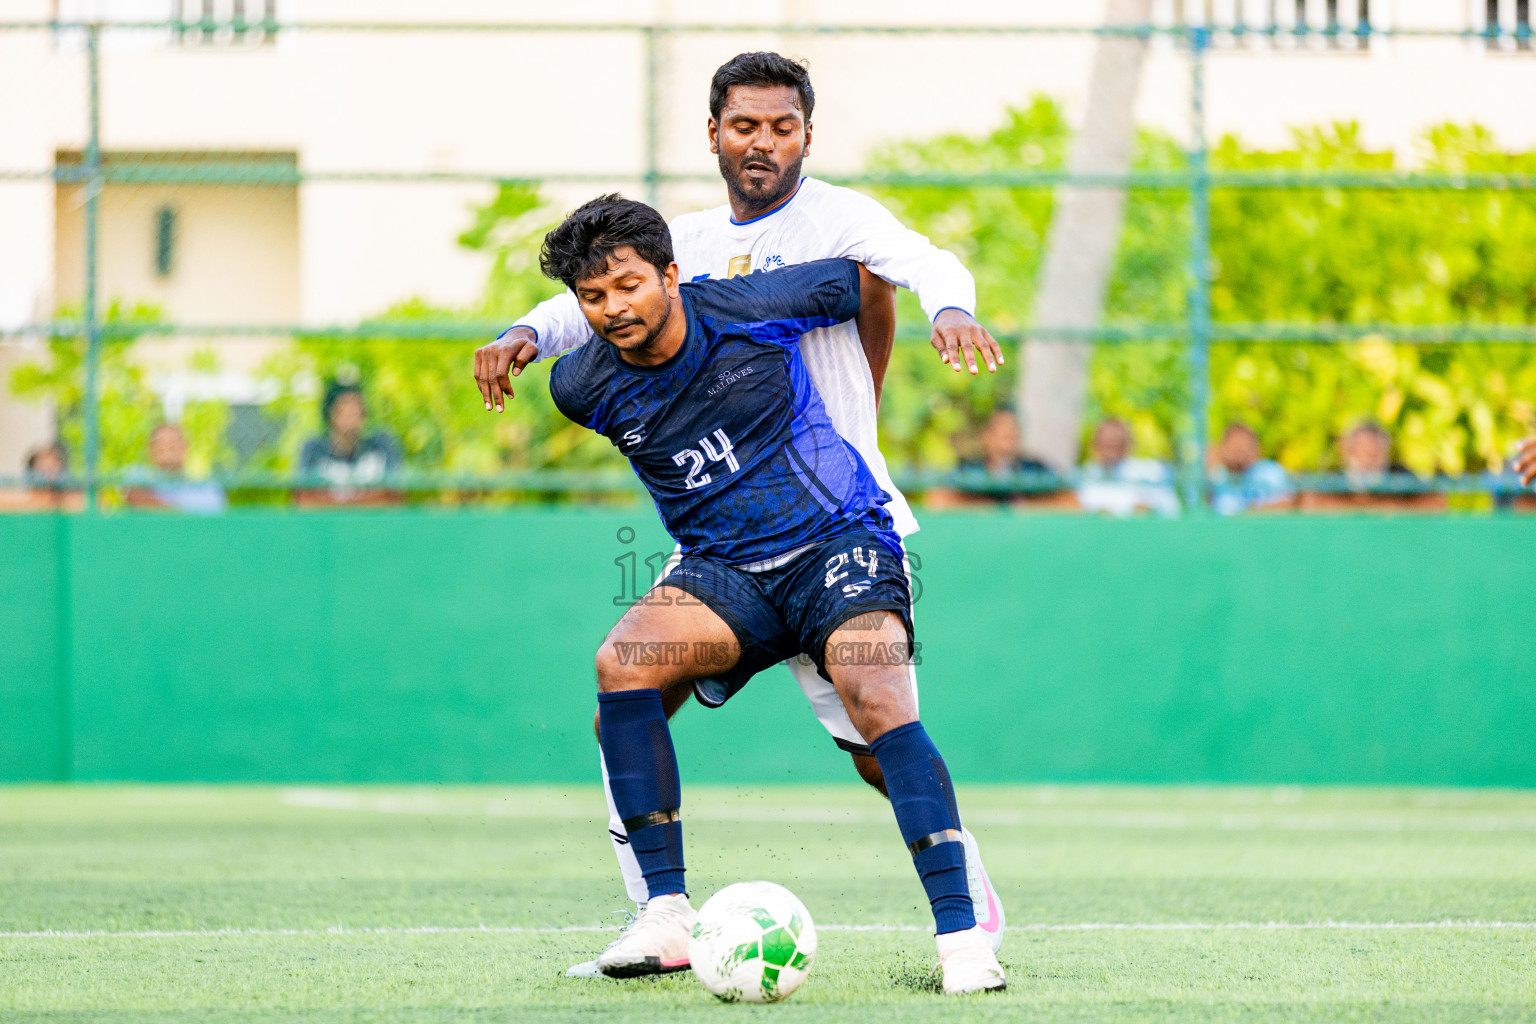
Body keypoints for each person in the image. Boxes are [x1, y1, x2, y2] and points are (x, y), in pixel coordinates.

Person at [472, 51, 1006, 967]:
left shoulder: (834, 225)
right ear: (712, 132)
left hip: (843, 519)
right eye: (744, 126)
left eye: (781, 126)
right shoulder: (679, 249)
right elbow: (586, 301)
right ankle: (658, 916)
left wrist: (949, 307)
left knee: (875, 734)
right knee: (626, 687)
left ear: (806, 133)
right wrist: (523, 330)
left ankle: (966, 905)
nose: (763, 142)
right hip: (726, 552)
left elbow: (909, 267)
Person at [925, 408, 1073, 509]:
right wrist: (989, 508)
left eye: (1012, 431)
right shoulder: (968, 468)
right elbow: (937, 499)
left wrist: (1027, 506)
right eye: (1000, 431)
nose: (1008, 436)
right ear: (985, 436)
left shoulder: (1035, 467)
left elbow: (1070, 501)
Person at [295, 380, 403, 507]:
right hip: (328, 527)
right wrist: (368, 502)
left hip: (373, 526)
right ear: (330, 413)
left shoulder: (381, 444)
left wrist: (333, 503)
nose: (351, 413)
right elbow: (304, 500)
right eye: (344, 406)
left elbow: (395, 498)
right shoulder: (313, 448)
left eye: (356, 406)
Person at [1299, 420, 1444, 512]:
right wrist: (1372, 510)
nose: (1369, 462)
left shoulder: (1400, 476)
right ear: (1347, 454)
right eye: (1362, 453)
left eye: (1375, 454)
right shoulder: (1336, 479)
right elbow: (1308, 501)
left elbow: (1436, 501)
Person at [1075, 417, 1180, 518]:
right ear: (1095, 445)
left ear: (1128, 445)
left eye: (1116, 445)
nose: (1110, 452)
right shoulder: (1085, 475)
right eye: (1106, 444)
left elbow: (1170, 506)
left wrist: (1149, 508)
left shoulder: (1147, 474)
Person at [124, 423, 227, 514]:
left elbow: (212, 517)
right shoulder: (138, 474)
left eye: (173, 444)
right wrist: (179, 514)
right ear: (151, 450)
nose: (168, 450)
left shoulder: (206, 488)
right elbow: (135, 496)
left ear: (186, 448)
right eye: (161, 445)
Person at [1209, 423, 1292, 515]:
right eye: (1234, 446)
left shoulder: (1269, 472)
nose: (1239, 451)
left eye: (1244, 445)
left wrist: (1250, 511)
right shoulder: (1215, 477)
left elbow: (1286, 503)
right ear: (1223, 448)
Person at [0, 442, 82, 512]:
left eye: (53, 468)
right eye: (44, 468)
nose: (49, 474)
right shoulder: (22, 495)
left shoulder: (70, 492)